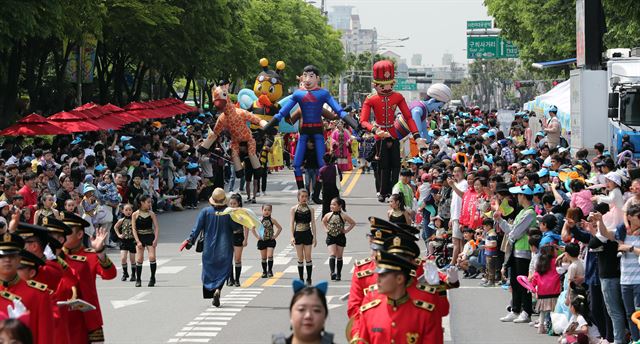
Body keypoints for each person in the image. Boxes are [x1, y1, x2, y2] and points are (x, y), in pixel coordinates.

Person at [358, 60, 423, 203]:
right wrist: (375, 129)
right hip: (379, 135)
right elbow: (363, 121)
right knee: (383, 166)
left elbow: (408, 117)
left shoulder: (398, 97)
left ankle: (394, 192)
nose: (387, 88)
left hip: (393, 134)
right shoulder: (371, 99)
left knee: (395, 165)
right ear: (375, 84)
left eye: (389, 84)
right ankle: (382, 192)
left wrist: (417, 136)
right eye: (382, 85)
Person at [349, 246, 439, 344]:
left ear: (399, 279)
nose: (378, 280)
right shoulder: (369, 312)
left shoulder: (424, 314)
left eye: (383, 276)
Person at [60, 211, 116, 343]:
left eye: (67, 233)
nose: (62, 236)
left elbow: (110, 274)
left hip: (85, 319)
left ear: (79, 234)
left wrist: (100, 252)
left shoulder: (90, 256)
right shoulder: (54, 257)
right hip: (60, 316)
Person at [180, 188, 234, 307]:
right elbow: (236, 228)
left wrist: (190, 240)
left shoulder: (205, 212)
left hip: (209, 248)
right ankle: (218, 290)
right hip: (225, 248)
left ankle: (212, 290)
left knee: (209, 271)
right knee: (223, 271)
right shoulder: (229, 213)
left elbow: (197, 228)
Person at [496, 185, 537, 324]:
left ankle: (526, 311)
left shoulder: (530, 213)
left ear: (523, 196)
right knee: (514, 281)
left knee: (524, 283)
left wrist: (512, 234)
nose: (516, 197)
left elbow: (515, 233)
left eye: (519, 195)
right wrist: (500, 220)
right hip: (516, 250)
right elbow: (512, 230)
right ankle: (515, 310)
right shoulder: (522, 212)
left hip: (525, 251)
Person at [321, 198, 355, 281]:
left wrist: (346, 230)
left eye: (334, 205)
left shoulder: (343, 216)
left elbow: (353, 223)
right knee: (332, 254)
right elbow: (323, 221)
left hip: (340, 237)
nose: (331, 206)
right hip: (331, 237)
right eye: (331, 204)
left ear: (340, 206)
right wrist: (326, 229)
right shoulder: (328, 215)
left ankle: (339, 273)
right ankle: (332, 272)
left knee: (339, 256)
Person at [530, 245, 561, 334]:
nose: (556, 251)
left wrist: (532, 286)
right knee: (553, 309)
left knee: (543, 310)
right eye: (555, 250)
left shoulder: (540, 262)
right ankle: (553, 327)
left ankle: (541, 326)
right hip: (554, 289)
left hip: (542, 291)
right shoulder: (556, 262)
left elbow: (535, 276)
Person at [131, 195, 159, 287]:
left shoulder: (151, 214)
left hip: (149, 235)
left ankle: (152, 278)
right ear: (142, 203)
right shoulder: (135, 214)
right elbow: (134, 229)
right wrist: (137, 241)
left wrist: (155, 239)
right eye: (148, 202)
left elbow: (156, 227)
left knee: (152, 257)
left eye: (150, 202)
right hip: (139, 236)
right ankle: (138, 279)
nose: (150, 204)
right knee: (139, 258)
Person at [290, 189, 317, 285]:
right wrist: (292, 236)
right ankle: (301, 278)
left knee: (308, 256)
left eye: (306, 196)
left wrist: (315, 236)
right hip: (298, 233)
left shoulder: (311, 209)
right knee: (300, 257)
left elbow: (313, 223)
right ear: (298, 197)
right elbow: (292, 223)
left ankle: (309, 278)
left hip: (307, 233)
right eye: (302, 196)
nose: (304, 198)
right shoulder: (294, 209)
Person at [252, 204, 282, 278]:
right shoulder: (259, 220)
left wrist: (275, 236)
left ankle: (270, 270)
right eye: (265, 210)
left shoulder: (272, 220)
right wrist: (257, 236)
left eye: (268, 210)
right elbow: (252, 228)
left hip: (270, 241)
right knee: (264, 257)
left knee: (270, 255)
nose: (267, 212)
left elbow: (279, 228)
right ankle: (264, 271)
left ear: (271, 211)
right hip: (262, 241)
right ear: (262, 210)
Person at [447, 164, 468, 267]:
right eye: (454, 172)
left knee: (457, 241)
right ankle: (459, 263)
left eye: (458, 171)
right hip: (455, 216)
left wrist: (453, 186)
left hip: (460, 215)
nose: (455, 173)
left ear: (463, 172)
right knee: (458, 241)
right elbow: (454, 203)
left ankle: (453, 263)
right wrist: (451, 218)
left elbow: (463, 196)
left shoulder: (464, 183)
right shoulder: (456, 184)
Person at [226, 193, 248, 287]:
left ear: (238, 203)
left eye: (234, 203)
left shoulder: (243, 213)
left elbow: (247, 226)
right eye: (230, 203)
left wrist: (245, 239)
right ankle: (230, 279)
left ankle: (237, 280)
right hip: (228, 237)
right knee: (228, 258)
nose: (232, 205)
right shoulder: (227, 212)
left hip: (238, 236)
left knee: (237, 259)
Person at [113, 203, 136, 282]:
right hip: (124, 241)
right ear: (122, 211)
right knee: (123, 258)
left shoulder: (134, 220)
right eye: (126, 210)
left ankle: (133, 274)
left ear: (132, 211)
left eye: (130, 210)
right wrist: (119, 235)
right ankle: (125, 273)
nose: (128, 212)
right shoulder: (121, 220)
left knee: (132, 259)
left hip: (132, 241)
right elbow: (115, 227)